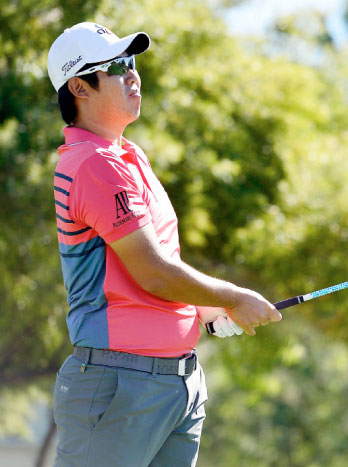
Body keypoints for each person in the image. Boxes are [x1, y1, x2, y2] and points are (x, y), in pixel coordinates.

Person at [47, 22, 282, 466]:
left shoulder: (129, 157)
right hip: (117, 386)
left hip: (179, 386)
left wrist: (205, 309)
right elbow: (153, 272)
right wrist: (233, 295)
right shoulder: (93, 165)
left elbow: (164, 261)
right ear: (79, 86)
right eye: (116, 66)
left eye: (132, 63)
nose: (132, 74)